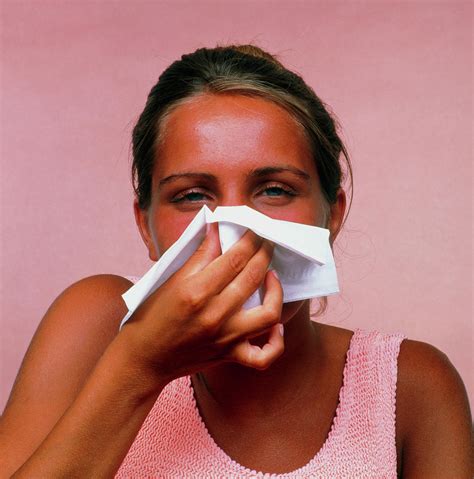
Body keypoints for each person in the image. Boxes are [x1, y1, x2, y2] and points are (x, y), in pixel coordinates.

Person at [0, 44, 471, 478]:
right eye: (192, 196)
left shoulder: (410, 387)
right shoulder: (101, 324)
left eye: (274, 190)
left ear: (332, 218)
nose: (236, 232)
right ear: (146, 227)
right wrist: (141, 364)